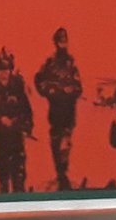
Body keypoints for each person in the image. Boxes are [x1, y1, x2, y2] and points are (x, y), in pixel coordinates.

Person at [33, 27, 82, 190]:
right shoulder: (49, 64)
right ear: (56, 43)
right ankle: (60, 174)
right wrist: (52, 91)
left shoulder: (71, 63)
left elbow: (78, 86)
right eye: (61, 42)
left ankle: (64, 174)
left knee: (66, 142)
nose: (63, 45)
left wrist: (70, 90)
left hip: (69, 109)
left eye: (65, 41)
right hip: (55, 109)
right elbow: (39, 81)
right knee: (56, 141)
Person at [0, 47, 34, 193]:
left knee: (18, 171)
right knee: (2, 170)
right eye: (0, 70)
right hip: (1, 135)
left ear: (10, 71)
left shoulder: (18, 87)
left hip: (16, 133)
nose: (3, 74)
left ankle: (19, 195)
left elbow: (27, 110)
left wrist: (24, 126)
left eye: (6, 70)